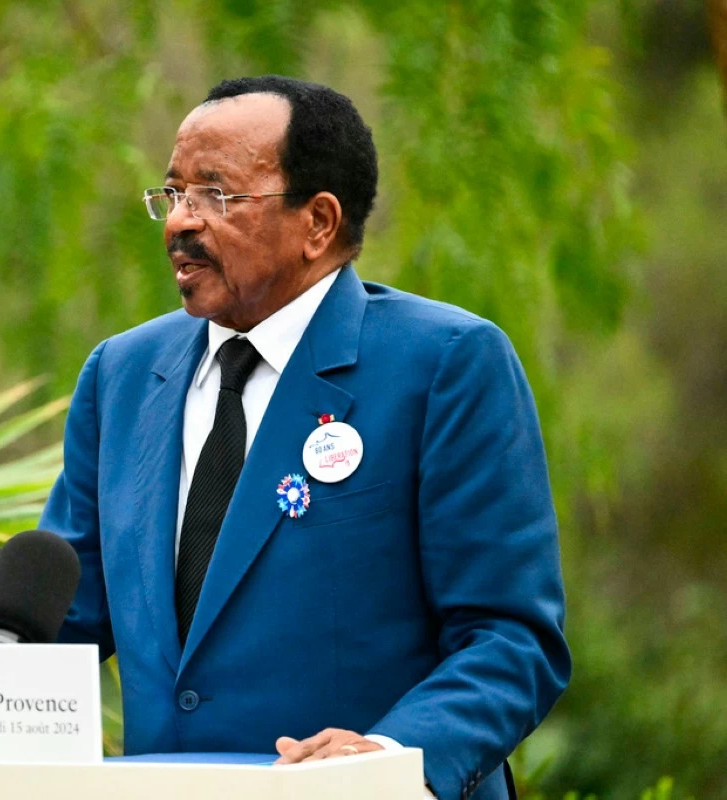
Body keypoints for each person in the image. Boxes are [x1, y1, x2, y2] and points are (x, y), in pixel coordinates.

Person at [38, 75, 570, 800]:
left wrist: (386, 757)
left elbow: (511, 638)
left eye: (214, 195)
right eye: (173, 193)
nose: (178, 223)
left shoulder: (444, 365)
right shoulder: (123, 374)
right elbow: (65, 620)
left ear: (318, 222)